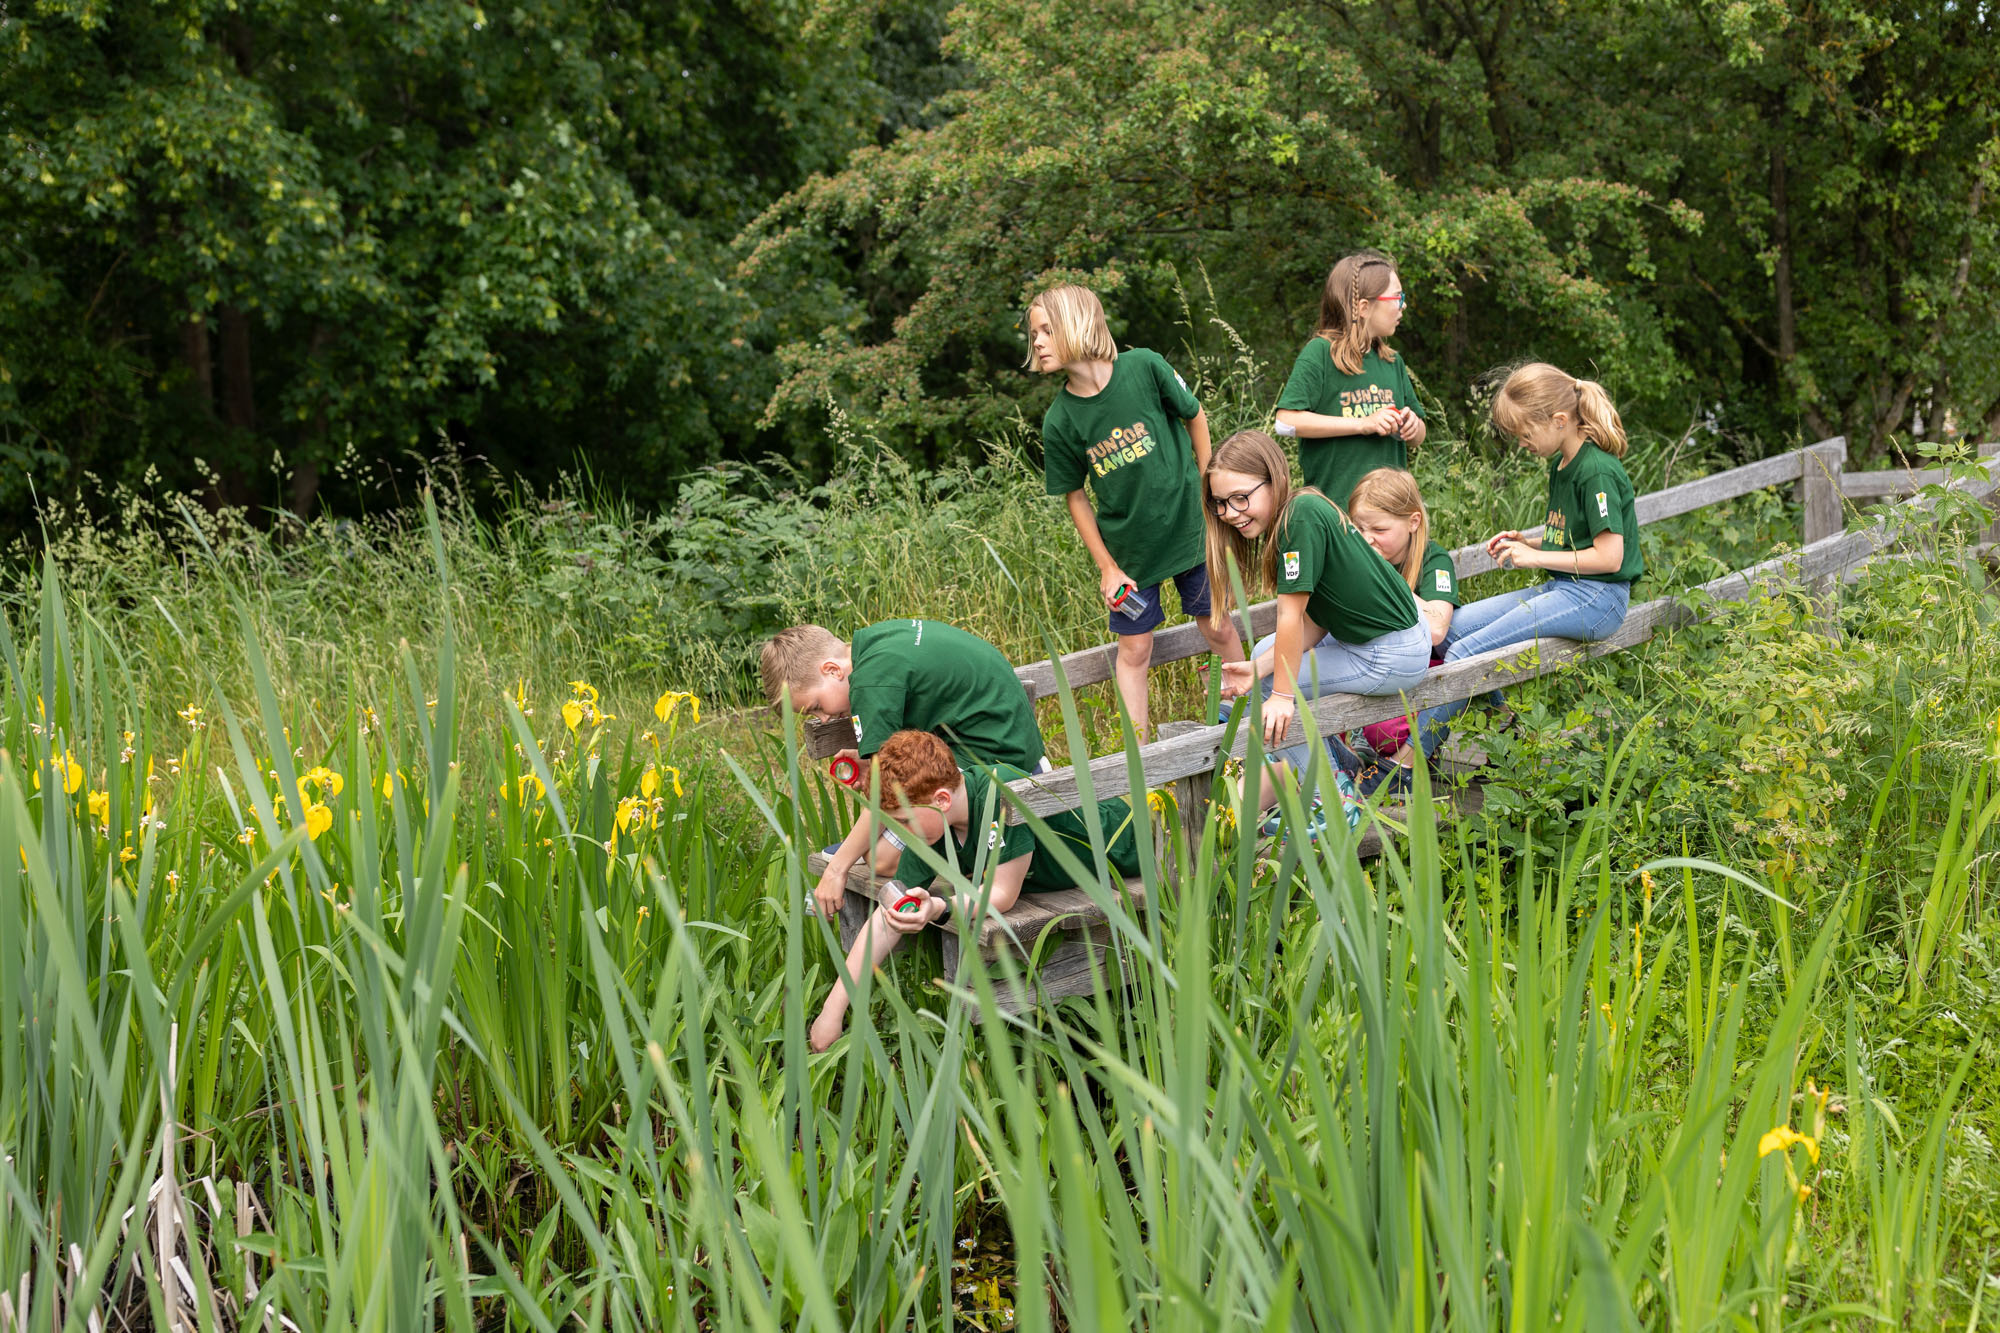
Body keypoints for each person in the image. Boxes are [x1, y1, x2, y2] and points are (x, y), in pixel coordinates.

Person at [807, 729, 1143, 1051]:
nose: (902, 834)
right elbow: (887, 916)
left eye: (904, 822)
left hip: (1132, 851)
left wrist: (938, 907)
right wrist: (831, 1012)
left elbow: (1001, 893)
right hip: (1061, 875)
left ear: (940, 799)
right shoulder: (935, 829)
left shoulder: (1001, 794)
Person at [1030, 284, 1245, 739]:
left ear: (1077, 323)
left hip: (1190, 529)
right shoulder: (1060, 420)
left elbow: (1195, 415)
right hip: (1130, 557)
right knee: (1134, 650)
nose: (1037, 342)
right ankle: (1141, 757)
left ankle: (1254, 716)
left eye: (1046, 331)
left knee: (1219, 625)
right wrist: (1108, 567)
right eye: (1034, 335)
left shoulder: (1145, 367)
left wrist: (1209, 488)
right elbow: (1076, 496)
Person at [1204, 429, 1432, 838]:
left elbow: (1291, 616)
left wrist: (1279, 693)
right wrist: (1257, 667)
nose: (1231, 512)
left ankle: (1332, 800)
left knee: (1271, 695)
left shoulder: (1300, 518)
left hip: (1391, 651)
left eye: (1241, 497)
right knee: (1266, 651)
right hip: (1382, 639)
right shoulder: (1300, 512)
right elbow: (1319, 617)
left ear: (1273, 480)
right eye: (1220, 503)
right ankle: (1338, 763)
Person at [1411, 363, 1644, 749]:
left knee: (1467, 652)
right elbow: (1575, 540)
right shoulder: (1563, 464)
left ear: (1558, 420)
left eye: (1525, 434)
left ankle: (1407, 760)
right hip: (1568, 588)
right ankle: (1506, 735)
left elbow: (1609, 558)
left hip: (1599, 599)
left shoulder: (1596, 471)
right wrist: (1531, 542)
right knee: (1451, 632)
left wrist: (1533, 559)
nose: (1522, 444)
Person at [760, 620, 1047, 919]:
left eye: (816, 706)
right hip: (1005, 740)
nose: (824, 719)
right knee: (872, 849)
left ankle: (981, 855)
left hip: (997, 761)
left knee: (880, 860)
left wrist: (836, 870)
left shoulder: (870, 683)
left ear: (833, 670)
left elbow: (883, 791)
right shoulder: (876, 645)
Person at [1273, 251, 1428, 511]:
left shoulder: (1392, 362)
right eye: (1397, 297)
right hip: (1336, 516)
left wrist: (1413, 427)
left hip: (1389, 516)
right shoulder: (1319, 354)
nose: (1403, 305)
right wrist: (1363, 424)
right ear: (1364, 307)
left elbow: (1419, 436)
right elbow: (1284, 422)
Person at [1343, 467, 1460, 798]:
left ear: (1413, 522)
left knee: (1385, 733)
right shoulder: (1357, 557)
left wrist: (1385, 579)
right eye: (1358, 528)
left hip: (1424, 671)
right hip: (1372, 666)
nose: (1367, 539)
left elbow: (1437, 629)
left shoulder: (1432, 560)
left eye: (1379, 529)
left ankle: (1406, 757)